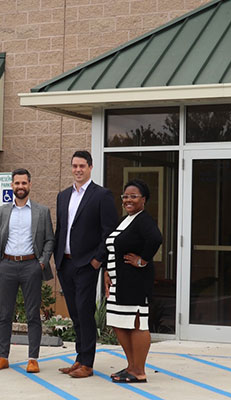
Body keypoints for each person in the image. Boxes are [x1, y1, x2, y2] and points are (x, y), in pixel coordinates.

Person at [53, 150, 118, 378]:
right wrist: (56, 257)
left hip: (86, 265)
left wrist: (97, 260)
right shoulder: (63, 196)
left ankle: (87, 363)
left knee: (85, 311)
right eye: (74, 166)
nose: (78, 170)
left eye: (82, 166)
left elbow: (109, 231)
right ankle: (79, 359)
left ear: (90, 167)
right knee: (75, 313)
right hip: (66, 263)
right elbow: (61, 229)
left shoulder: (101, 195)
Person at [0, 168, 55, 374]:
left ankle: (33, 359)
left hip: (31, 267)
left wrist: (41, 263)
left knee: (32, 314)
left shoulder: (41, 211)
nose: (20, 187)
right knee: (5, 315)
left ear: (30, 185)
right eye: (16, 183)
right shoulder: (2, 211)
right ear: (12, 186)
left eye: (23, 183)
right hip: (7, 266)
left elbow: (49, 240)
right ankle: (3, 357)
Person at [103, 179, 163, 384]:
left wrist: (143, 259)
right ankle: (131, 366)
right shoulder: (125, 220)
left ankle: (139, 370)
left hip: (135, 281)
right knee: (120, 323)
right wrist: (107, 272)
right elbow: (114, 248)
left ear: (143, 199)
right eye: (125, 196)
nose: (128, 200)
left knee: (137, 323)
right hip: (118, 283)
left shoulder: (143, 219)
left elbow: (156, 238)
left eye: (133, 196)